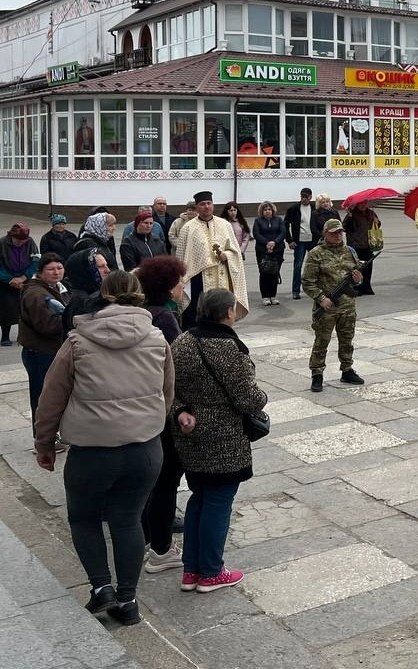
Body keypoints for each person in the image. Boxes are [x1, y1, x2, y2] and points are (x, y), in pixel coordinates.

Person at [33, 270, 172, 625]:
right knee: (127, 519)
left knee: (84, 517)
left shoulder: (78, 340)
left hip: (92, 450)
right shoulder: (157, 337)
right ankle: (127, 601)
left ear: (103, 295)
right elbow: (167, 392)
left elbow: (51, 398)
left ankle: (101, 587)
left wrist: (44, 443)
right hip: (144, 448)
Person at [170, 288, 267, 593]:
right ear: (228, 313)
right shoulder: (228, 348)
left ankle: (191, 571)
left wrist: (181, 411)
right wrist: (262, 396)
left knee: (199, 496)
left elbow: (167, 388)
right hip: (223, 437)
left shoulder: (181, 343)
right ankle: (211, 572)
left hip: (189, 433)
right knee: (218, 500)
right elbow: (249, 399)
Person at [132, 255, 186, 578]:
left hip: (138, 407)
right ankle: (161, 550)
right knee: (165, 481)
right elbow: (176, 363)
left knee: (148, 481)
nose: (183, 287)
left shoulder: (140, 313)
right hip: (160, 409)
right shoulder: (164, 318)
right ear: (167, 287)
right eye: (179, 282)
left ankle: (146, 538)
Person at [301, 219, 364, 391]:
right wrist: (321, 298)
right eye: (334, 232)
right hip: (327, 307)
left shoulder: (349, 251)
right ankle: (317, 373)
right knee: (322, 341)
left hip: (348, 306)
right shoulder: (316, 253)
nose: (338, 235)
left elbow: (357, 275)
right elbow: (307, 282)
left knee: (347, 340)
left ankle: (347, 369)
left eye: (340, 232)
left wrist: (358, 280)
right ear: (325, 234)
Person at [174, 191, 247, 329]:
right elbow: (181, 258)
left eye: (209, 203)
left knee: (220, 315)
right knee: (195, 317)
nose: (206, 207)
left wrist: (226, 256)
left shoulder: (224, 225)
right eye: (202, 204)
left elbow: (235, 252)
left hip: (221, 277)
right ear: (197, 207)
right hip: (197, 281)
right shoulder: (187, 229)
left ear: (213, 205)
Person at [18, 254, 68, 437]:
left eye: (59, 268)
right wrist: (70, 320)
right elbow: (46, 325)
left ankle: (53, 434)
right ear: (40, 272)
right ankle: (43, 437)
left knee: (52, 396)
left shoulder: (56, 288)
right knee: (42, 398)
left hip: (51, 351)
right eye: (51, 269)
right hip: (40, 353)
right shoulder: (37, 294)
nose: (56, 272)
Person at [0, 223, 38, 346]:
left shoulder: (30, 243)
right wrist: (10, 279)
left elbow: (36, 260)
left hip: (24, 278)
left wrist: (24, 277)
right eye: (18, 240)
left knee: (26, 308)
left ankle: (24, 335)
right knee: (6, 308)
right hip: (5, 280)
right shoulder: (2, 243)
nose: (21, 243)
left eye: (24, 241)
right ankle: (5, 335)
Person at [342, 201, 381, 296]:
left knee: (368, 266)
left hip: (368, 244)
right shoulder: (352, 214)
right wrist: (350, 217)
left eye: (365, 203)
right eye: (361, 204)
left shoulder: (371, 213)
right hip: (356, 244)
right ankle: (357, 287)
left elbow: (377, 225)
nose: (363, 205)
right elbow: (346, 227)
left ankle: (367, 286)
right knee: (357, 267)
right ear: (357, 204)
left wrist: (377, 222)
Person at [284, 188, 316, 301]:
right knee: (297, 266)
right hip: (299, 241)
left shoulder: (315, 208)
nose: (304, 199)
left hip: (313, 240)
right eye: (302, 196)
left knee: (315, 266)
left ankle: (315, 289)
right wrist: (289, 240)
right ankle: (295, 291)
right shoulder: (293, 209)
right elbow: (285, 224)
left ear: (310, 197)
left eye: (306, 197)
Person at [251, 202, 285, 306]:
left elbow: (283, 233)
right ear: (262, 211)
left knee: (274, 273)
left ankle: (273, 295)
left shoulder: (278, 220)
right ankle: (265, 296)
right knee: (264, 273)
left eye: (269, 209)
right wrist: (267, 243)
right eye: (265, 210)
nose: (267, 211)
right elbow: (256, 234)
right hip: (262, 250)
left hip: (277, 249)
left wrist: (274, 242)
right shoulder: (258, 221)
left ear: (272, 210)